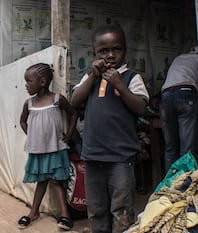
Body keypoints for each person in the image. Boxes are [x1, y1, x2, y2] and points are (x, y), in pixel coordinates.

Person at [71, 24, 149, 233]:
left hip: (121, 158)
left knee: (121, 210)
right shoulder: (90, 77)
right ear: (95, 53)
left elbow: (141, 108)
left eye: (117, 49)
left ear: (125, 50)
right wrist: (94, 77)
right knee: (96, 209)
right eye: (104, 51)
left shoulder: (131, 77)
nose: (111, 55)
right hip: (93, 156)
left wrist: (120, 85)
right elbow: (75, 100)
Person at [18, 63, 77, 230]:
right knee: (42, 180)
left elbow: (73, 114)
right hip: (38, 149)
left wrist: (69, 134)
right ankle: (33, 213)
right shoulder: (28, 103)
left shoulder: (57, 99)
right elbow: (22, 121)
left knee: (57, 181)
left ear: (42, 82)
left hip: (56, 147)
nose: (26, 85)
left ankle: (65, 216)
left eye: (29, 81)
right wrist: (31, 135)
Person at [159, 46, 198, 172]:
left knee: (170, 148)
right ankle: (184, 187)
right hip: (186, 94)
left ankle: (169, 186)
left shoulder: (179, 58)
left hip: (165, 96)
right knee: (187, 147)